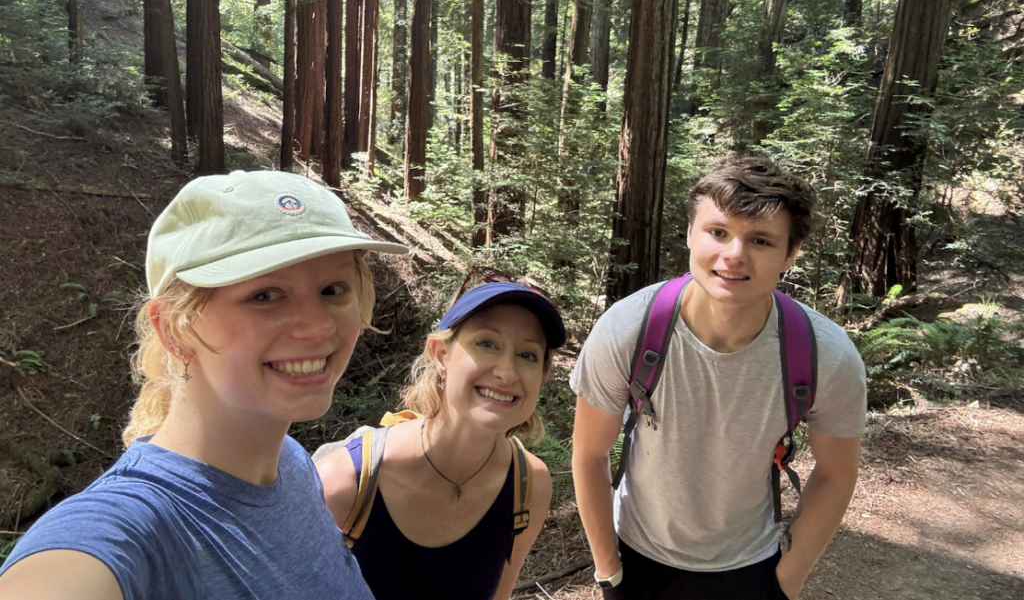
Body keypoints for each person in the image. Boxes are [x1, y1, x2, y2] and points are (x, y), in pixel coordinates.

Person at [0, 170, 408, 600]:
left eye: (332, 289)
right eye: (265, 295)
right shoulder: (129, 529)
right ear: (174, 328)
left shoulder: (291, 465)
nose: (317, 326)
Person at [571, 155, 867, 600]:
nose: (734, 255)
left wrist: (787, 580)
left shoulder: (826, 355)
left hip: (752, 566)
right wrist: (608, 571)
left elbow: (836, 472)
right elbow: (590, 454)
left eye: (761, 241)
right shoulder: (628, 330)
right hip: (636, 556)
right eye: (718, 232)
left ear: (789, 255)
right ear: (691, 234)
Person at [315, 269, 565, 600]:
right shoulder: (345, 482)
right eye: (487, 344)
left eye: (527, 355)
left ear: (542, 375)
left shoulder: (528, 485)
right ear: (441, 354)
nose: (507, 372)